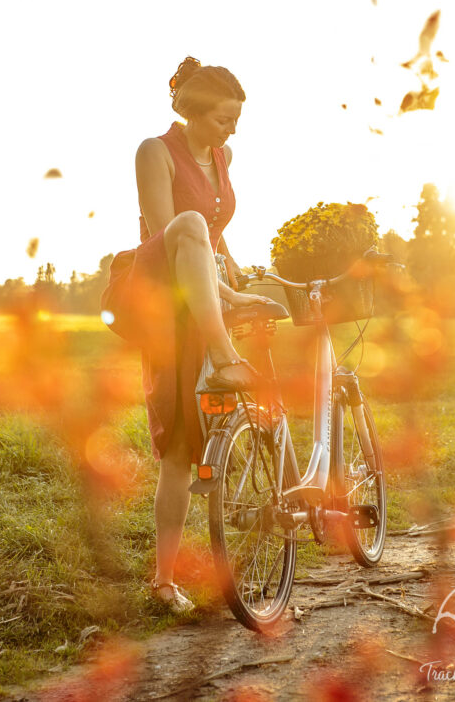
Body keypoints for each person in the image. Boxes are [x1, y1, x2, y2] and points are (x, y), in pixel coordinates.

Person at [133, 56, 271, 612]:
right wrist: (226, 291)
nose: (230, 131)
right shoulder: (155, 152)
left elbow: (214, 230)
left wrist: (234, 272)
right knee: (177, 453)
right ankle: (164, 584)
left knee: (208, 443)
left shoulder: (224, 155)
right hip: (166, 297)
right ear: (190, 111)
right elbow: (174, 235)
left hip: (209, 291)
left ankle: (235, 560)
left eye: (235, 120)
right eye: (221, 119)